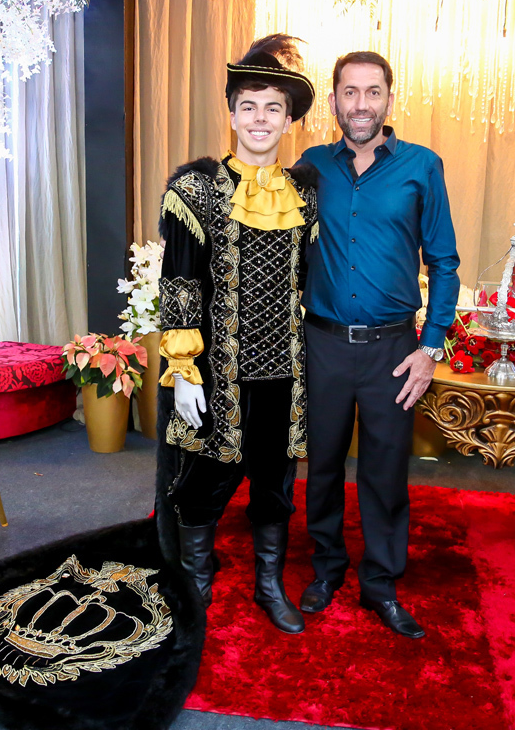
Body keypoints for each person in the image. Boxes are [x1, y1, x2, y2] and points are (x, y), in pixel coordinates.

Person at [155, 34, 319, 634]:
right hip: (213, 373)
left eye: (274, 107)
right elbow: (179, 284)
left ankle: (268, 584)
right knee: (202, 481)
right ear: (231, 114)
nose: (260, 118)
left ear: (289, 121)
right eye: (248, 105)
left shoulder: (305, 194)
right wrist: (183, 370)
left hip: (284, 372)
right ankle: (196, 583)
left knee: (275, 485)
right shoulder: (195, 190)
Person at [296, 51, 460, 639]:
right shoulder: (311, 167)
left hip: (394, 350)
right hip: (323, 344)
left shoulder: (422, 167)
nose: (360, 104)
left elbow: (444, 263)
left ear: (390, 98)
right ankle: (326, 568)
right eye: (349, 92)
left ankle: (381, 584)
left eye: (372, 92)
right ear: (333, 100)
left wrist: (430, 347)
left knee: (386, 472)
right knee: (322, 465)